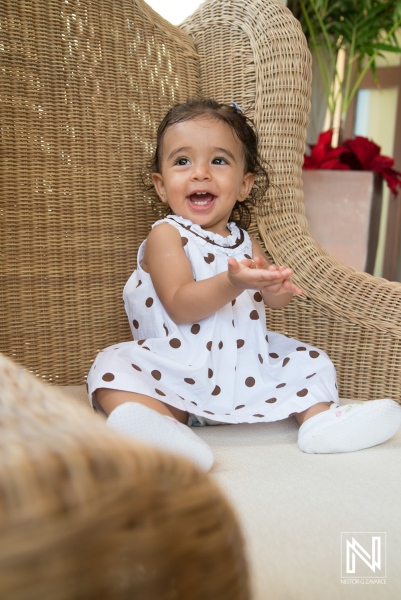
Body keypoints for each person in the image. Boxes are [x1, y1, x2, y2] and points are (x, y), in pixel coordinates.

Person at [87, 99, 401, 471]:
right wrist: (233, 281)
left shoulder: (244, 242)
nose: (200, 173)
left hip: (246, 374)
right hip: (176, 373)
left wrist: (275, 290)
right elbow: (180, 303)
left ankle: (318, 423)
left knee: (311, 361)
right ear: (160, 185)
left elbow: (270, 298)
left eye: (218, 161)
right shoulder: (167, 236)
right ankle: (167, 432)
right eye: (182, 161)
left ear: (243, 184)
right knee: (110, 369)